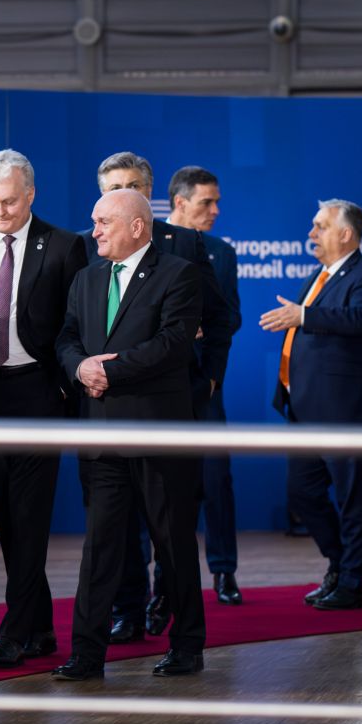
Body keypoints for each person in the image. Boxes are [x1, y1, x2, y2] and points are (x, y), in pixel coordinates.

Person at [84, 152, 236, 641]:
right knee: (115, 525)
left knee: (172, 519)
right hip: (107, 411)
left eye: (128, 186)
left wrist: (209, 378)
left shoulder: (187, 246)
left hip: (173, 402)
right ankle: (127, 610)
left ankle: (169, 602)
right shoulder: (90, 247)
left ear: (146, 197)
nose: (117, 196)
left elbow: (221, 318)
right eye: (109, 189)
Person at [54, 189, 205, 681]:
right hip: (101, 434)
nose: (94, 231)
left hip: (157, 433)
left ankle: (186, 646)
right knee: (100, 548)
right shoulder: (86, 277)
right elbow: (67, 338)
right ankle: (86, 654)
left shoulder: (178, 274)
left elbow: (172, 345)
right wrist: (80, 368)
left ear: (137, 227)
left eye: (103, 222)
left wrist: (108, 373)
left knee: (173, 544)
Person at [0, 150, 87, 670]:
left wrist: (63, 391)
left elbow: (75, 325)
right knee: (8, 520)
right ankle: (41, 627)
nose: (0, 212)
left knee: (30, 518)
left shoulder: (63, 246)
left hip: (37, 393)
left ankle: (12, 632)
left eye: (9, 201)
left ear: (30, 194)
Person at [260, 199, 362, 611]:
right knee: (302, 496)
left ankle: (352, 586)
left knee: (353, 501)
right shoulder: (318, 276)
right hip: (305, 412)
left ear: (346, 234)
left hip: (348, 413)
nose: (312, 233)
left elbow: (361, 320)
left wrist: (305, 316)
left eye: (320, 226)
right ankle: (338, 564)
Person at [167, 165, 243, 604]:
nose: (215, 210)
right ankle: (163, 580)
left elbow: (228, 318)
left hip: (204, 382)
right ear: (180, 202)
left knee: (217, 478)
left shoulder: (222, 251)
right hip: (156, 381)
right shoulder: (153, 243)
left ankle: (223, 570)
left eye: (216, 202)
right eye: (205, 203)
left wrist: (213, 376)